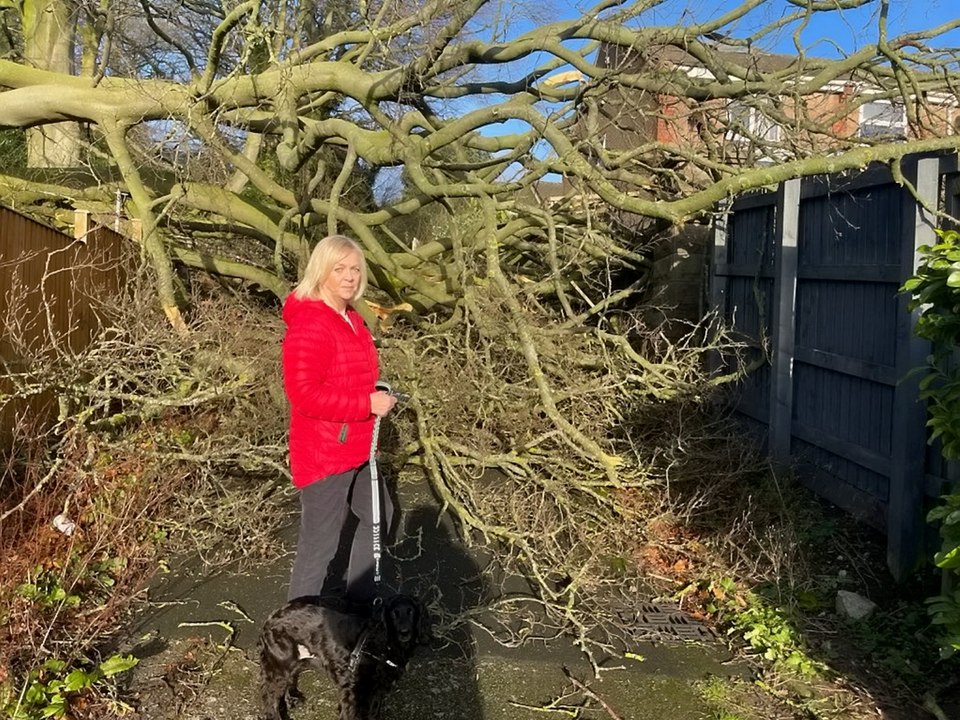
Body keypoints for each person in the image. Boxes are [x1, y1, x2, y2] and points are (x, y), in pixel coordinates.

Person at [281, 234, 397, 603]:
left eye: (355, 269)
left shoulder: (352, 319)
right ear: (321, 272)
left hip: (358, 449)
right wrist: (366, 404)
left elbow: (346, 374)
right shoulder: (310, 324)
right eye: (339, 268)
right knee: (319, 546)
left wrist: (375, 392)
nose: (349, 276)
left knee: (379, 516)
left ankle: (357, 609)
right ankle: (294, 634)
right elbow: (304, 394)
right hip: (325, 453)